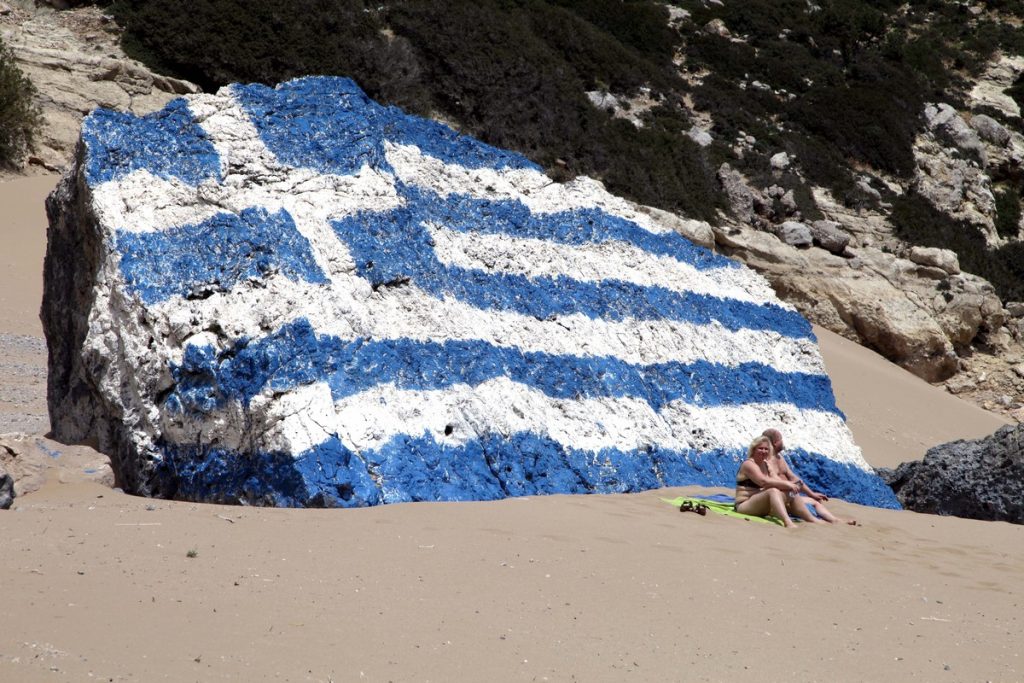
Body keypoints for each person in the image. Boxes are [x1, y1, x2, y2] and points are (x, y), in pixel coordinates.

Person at [762, 428, 857, 525]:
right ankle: (821, 522)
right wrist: (792, 485)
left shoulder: (779, 457)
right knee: (809, 506)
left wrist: (811, 494)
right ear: (775, 442)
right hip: (781, 498)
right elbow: (775, 482)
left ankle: (835, 520)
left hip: (791, 494)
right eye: (781, 440)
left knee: (815, 502)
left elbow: (794, 478)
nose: (783, 442)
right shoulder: (767, 461)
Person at [734, 435, 824, 528]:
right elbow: (763, 482)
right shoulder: (749, 464)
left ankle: (811, 519)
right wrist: (787, 484)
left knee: (790, 492)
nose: (764, 451)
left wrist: (792, 486)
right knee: (773, 490)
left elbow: (776, 480)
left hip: (760, 504)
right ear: (753, 449)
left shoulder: (766, 464)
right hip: (745, 505)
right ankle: (787, 522)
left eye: (766, 449)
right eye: (760, 448)